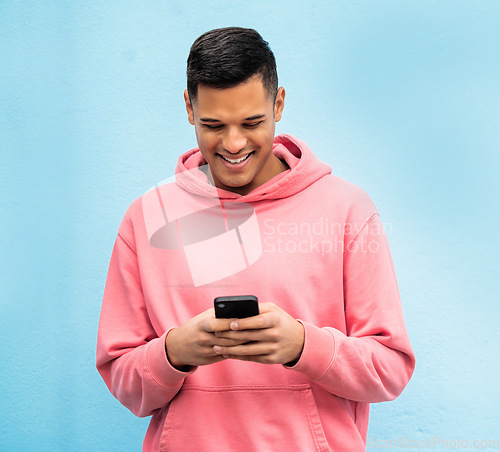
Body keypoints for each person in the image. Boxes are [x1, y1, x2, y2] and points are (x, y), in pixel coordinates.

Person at [96, 27, 415, 451]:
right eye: (213, 125)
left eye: (252, 122)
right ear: (189, 108)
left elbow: (390, 371)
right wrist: (174, 352)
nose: (233, 144)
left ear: (278, 104)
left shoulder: (347, 209)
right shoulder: (146, 218)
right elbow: (123, 380)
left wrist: (303, 345)